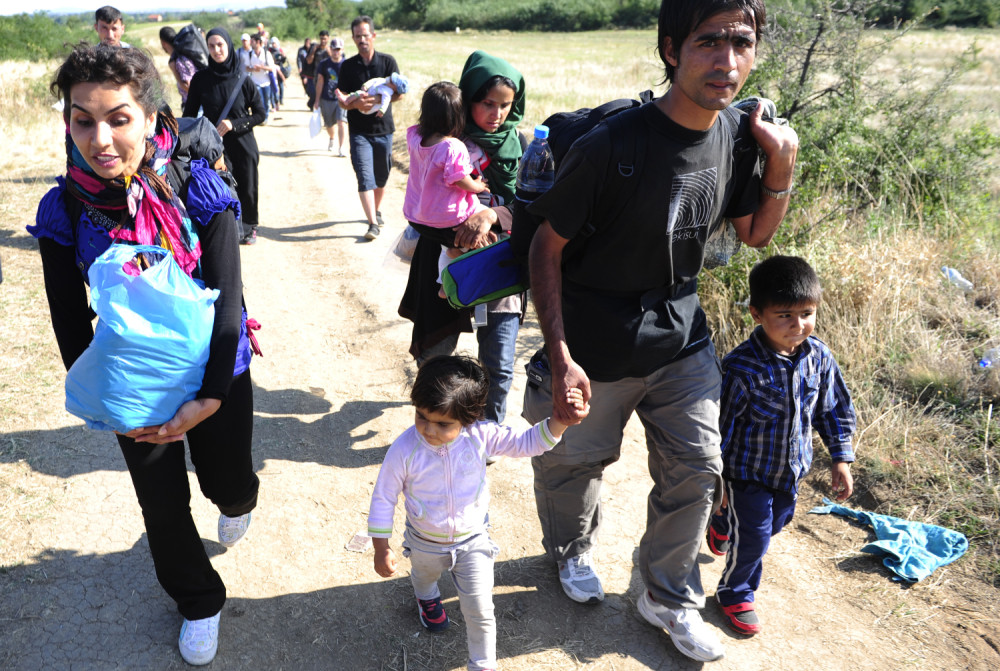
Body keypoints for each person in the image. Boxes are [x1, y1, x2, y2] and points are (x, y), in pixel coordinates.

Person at [523, 0, 799, 662]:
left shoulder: (736, 134)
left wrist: (781, 168)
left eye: (741, 42)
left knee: (699, 466)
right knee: (571, 464)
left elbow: (753, 234)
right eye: (709, 42)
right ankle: (570, 547)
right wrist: (559, 358)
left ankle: (667, 594)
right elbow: (544, 250)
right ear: (671, 49)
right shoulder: (610, 147)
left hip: (680, 334)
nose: (726, 60)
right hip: (592, 338)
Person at [30, 43, 258, 667]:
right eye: (82, 119)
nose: (99, 138)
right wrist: (106, 403)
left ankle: (239, 500)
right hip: (132, 386)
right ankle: (198, 601)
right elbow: (69, 318)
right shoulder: (65, 209)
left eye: (117, 118)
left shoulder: (199, 190)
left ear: (153, 117)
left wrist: (211, 397)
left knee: (227, 482)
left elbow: (229, 306)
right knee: (161, 503)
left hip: (220, 370)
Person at [368, 356, 587, 671]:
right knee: (425, 575)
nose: (428, 429)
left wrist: (562, 421)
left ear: (468, 419)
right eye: (421, 416)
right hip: (424, 542)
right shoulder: (405, 449)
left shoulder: (482, 436)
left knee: (480, 609)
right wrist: (380, 546)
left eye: (442, 423)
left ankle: (483, 664)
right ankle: (426, 597)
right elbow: (384, 496)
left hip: (473, 542)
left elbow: (529, 442)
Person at [707, 255, 856, 635]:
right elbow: (720, 428)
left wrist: (841, 458)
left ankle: (724, 523)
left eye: (806, 313)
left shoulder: (819, 357)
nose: (798, 324)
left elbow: (833, 407)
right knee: (755, 538)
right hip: (746, 474)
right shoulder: (742, 367)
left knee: (775, 524)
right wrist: (716, 482)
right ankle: (735, 592)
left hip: (789, 473)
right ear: (757, 314)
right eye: (784, 315)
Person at [399, 50, 527, 431]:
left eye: (506, 105)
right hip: (445, 260)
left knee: (499, 363)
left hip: (499, 264)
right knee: (436, 358)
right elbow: (422, 200)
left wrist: (492, 214)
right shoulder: (444, 140)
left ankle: (486, 440)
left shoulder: (520, 145)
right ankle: (432, 429)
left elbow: (534, 205)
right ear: (467, 98)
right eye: (487, 103)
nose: (497, 113)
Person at [403, 81, 490, 296]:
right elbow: (460, 179)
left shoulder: (415, 136)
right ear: (459, 116)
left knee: (445, 245)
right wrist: (477, 186)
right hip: (447, 217)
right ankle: (453, 267)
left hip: (418, 216)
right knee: (481, 217)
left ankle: (446, 277)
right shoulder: (453, 147)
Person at [185, 28, 266, 246]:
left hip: (244, 143)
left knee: (248, 187)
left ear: (228, 46)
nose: (216, 50)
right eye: (211, 46)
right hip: (214, 147)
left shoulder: (243, 78)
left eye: (220, 44)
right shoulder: (200, 79)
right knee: (222, 189)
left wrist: (234, 124)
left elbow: (260, 113)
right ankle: (229, 230)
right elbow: (189, 116)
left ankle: (250, 226)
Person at [335, 16, 404, 241]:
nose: (362, 39)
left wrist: (377, 101)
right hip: (359, 132)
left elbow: (400, 93)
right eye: (357, 36)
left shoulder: (388, 63)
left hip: (384, 130)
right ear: (353, 39)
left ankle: (377, 208)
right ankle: (372, 223)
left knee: (382, 176)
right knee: (365, 176)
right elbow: (342, 100)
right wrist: (356, 103)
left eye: (365, 35)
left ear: (373, 36)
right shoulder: (347, 66)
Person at [312, 36, 348, 154]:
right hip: (327, 98)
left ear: (342, 50)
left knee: (341, 122)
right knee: (328, 124)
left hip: (342, 98)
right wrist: (317, 101)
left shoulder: (347, 64)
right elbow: (320, 82)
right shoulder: (324, 64)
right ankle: (332, 138)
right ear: (330, 50)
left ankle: (341, 147)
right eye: (334, 49)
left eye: (338, 49)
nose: (336, 52)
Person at [159, 26, 198, 105]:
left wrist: (174, 71)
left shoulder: (179, 60)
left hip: (194, 106)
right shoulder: (180, 57)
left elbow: (189, 87)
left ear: (163, 43)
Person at [344, 72, 409, 118]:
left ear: (395, 89)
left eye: (392, 81)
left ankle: (347, 99)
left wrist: (382, 110)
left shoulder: (387, 92)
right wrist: (366, 85)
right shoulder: (382, 81)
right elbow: (373, 81)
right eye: (391, 78)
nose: (389, 79)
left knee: (360, 94)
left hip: (370, 108)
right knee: (359, 93)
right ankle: (346, 99)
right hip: (366, 95)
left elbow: (385, 102)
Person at [246, 33, 275, 124]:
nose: (251, 43)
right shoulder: (250, 54)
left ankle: (265, 117)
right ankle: (260, 118)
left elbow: (272, 67)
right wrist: (253, 69)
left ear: (258, 42)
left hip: (266, 82)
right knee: (260, 101)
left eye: (252, 41)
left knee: (266, 101)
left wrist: (261, 67)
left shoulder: (266, 53)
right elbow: (247, 67)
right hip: (255, 82)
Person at [303, 31, 332, 112]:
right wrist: (313, 51)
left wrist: (328, 51)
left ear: (328, 39)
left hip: (328, 76)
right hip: (317, 76)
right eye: (321, 38)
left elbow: (334, 60)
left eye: (325, 39)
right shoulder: (315, 48)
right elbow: (309, 61)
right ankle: (317, 107)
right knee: (316, 93)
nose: (323, 41)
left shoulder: (331, 49)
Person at [268, 37, 289, 109]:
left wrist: (284, 56)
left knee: (281, 85)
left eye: (275, 43)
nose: (274, 45)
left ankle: (281, 99)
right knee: (273, 86)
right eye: (272, 43)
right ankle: (274, 102)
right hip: (271, 69)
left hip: (279, 68)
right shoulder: (269, 50)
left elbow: (284, 61)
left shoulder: (280, 50)